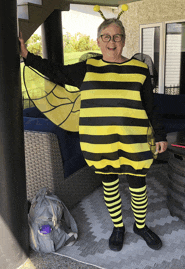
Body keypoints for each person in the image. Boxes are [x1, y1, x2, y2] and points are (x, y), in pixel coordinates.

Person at [19, 17, 168, 252]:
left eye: (117, 37)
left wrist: (160, 135)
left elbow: (151, 106)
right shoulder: (87, 68)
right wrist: (28, 56)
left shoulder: (140, 70)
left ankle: (140, 226)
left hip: (135, 140)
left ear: (123, 41)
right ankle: (118, 227)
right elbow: (56, 72)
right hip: (100, 142)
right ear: (99, 41)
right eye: (106, 37)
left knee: (138, 185)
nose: (112, 42)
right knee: (109, 184)